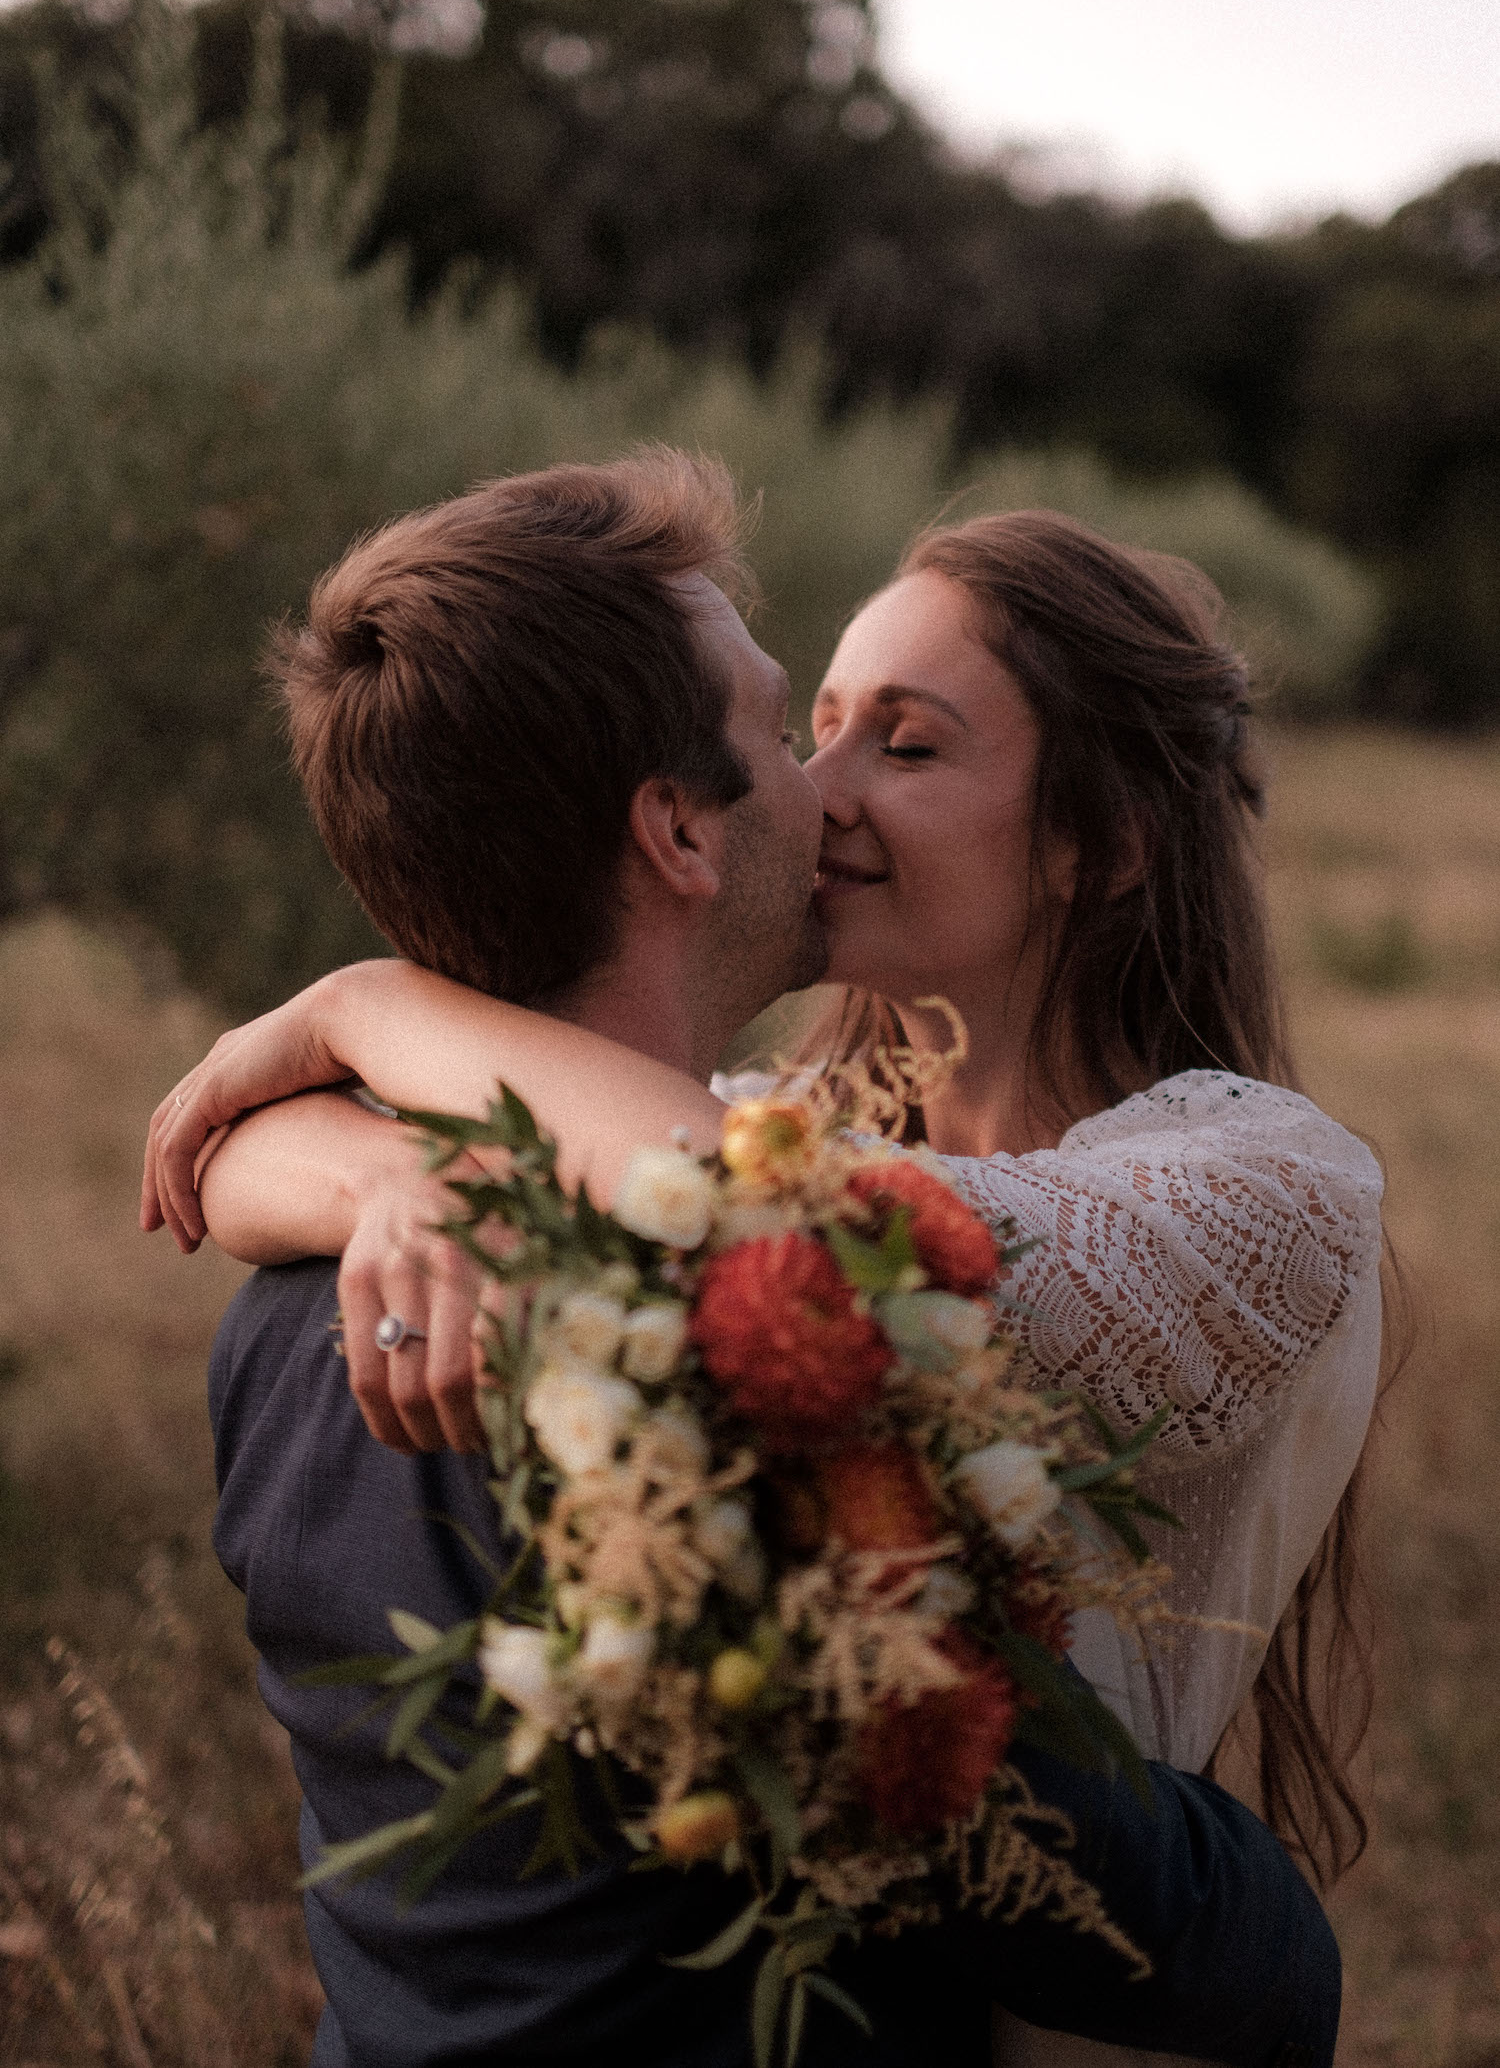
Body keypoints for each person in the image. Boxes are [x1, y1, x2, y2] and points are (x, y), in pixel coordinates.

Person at [148, 449, 1355, 2067]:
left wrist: (376, 1029)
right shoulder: (746, 1337)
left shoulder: (294, 1305)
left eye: (896, 740)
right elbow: (1070, 1865)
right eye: (798, 729)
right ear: (679, 833)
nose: (828, 788)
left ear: (1101, 842)